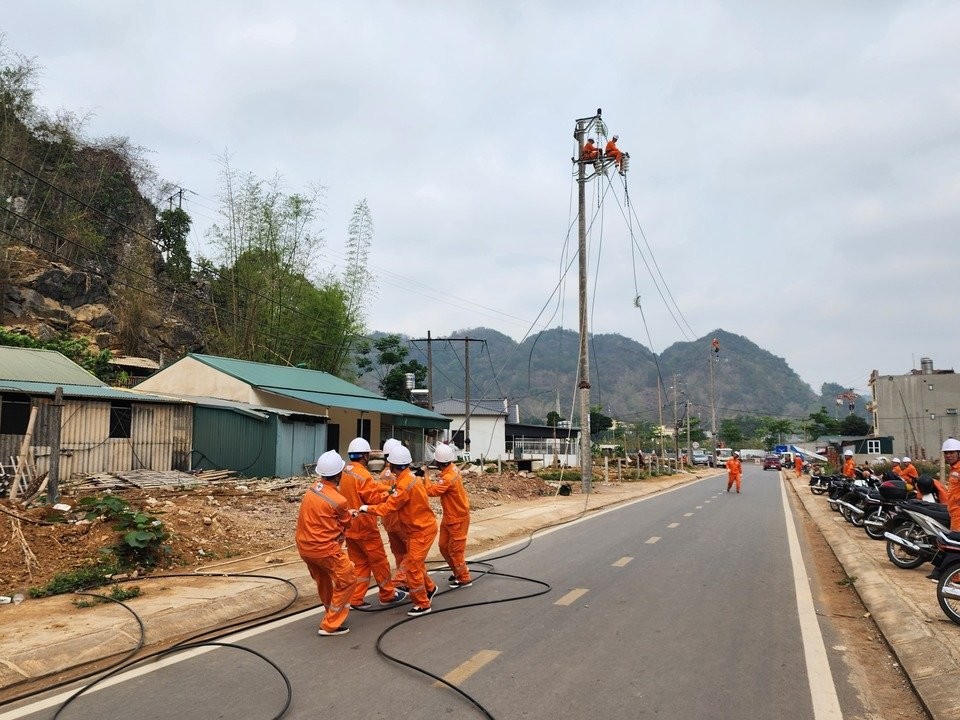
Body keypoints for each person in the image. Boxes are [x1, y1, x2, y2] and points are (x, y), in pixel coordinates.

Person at [360, 445, 439, 617]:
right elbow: (391, 493)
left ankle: (422, 603)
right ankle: (430, 588)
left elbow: (389, 507)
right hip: (417, 529)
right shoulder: (408, 478)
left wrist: (367, 508)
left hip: (421, 530)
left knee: (412, 567)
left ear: (392, 465)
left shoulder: (404, 484)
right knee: (414, 563)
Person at [295, 450, 360, 636]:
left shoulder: (312, 489)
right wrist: (351, 514)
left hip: (305, 548)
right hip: (325, 549)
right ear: (339, 474)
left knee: (324, 580)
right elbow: (346, 522)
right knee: (347, 578)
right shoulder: (339, 500)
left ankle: (330, 612)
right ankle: (331, 624)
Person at [338, 438, 408, 610]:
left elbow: (370, 488)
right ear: (364, 456)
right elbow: (372, 498)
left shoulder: (345, 471)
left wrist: (385, 489)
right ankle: (387, 594)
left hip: (349, 526)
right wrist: (389, 495)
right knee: (379, 562)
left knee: (361, 564)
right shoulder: (363, 474)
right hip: (365, 526)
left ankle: (356, 598)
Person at [427, 443, 473, 588]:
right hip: (450, 515)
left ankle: (464, 577)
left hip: (457, 517)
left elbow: (432, 491)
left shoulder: (448, 477)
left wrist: (425, 476)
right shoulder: (452, 468)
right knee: (443, 546)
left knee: (455, 550)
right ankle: (457, 571)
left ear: (438, 462)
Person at [378, 438, 409, 590]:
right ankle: (400, 580)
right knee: (411, 554)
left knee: (399, 553)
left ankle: (404, 581)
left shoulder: (383, 474)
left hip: (388, 521)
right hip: (399, 520)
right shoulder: (397, 476)